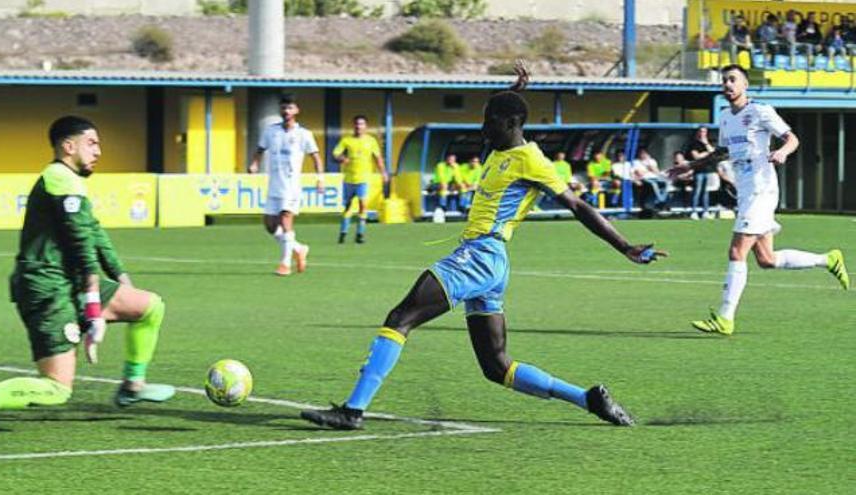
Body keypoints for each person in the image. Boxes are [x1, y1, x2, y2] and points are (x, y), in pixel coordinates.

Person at [299, 64, 666, 430]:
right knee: (496, 366)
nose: (482, 127)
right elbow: (504, 108)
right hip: (491, 264)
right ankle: (588, 399)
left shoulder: (530, 159)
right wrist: (514, 88)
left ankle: (352, 411)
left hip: (478, 257)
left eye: (489, 121)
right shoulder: (500, 146)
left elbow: (578, 206)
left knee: (400, 318)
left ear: (509, 125)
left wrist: (625, 246)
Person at [0, 116, 174, 420]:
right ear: (68, 146)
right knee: (56, 389)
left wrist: (123, 281)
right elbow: (82, 246)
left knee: (150, 306)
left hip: (68, 283)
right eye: (91, 143)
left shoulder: (71, 182)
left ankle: (133, 385)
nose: (98, 151)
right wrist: (94, 308)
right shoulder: (59, 178)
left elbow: (95, 235)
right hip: (46, 287)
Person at [678, 65, 849, 335]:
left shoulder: (760, 111)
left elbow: (792, 139)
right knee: (766, 259)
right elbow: (722, 151)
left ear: (745, 85)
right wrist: (691, 165)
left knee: (737, 251)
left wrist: (782, 152)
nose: (727, 84)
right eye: (724, 80)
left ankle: (725, 318)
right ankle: (828, 260)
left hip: (761, 188)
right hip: (746, 191)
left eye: (733, 79)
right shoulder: (724, 116)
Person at [248, 94, 324, 276]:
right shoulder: (271, 131)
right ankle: (298, 249)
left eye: (290, 108)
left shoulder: (303, 134)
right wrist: (255, 163)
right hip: (274, 185)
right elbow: (260, 149)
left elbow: (316, 157)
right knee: (270, 226)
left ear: (296, 110)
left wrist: (320, 178)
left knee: (285, 220)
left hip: (291, 187)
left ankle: (285, 264)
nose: (286, 111)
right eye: (283, 108)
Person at [333, 115, 388, 244]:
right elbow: (336, 153)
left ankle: (360, 234)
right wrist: (343, 159)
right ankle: (343, 233)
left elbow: (378, 158)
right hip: (349, 179)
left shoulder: (371, 141)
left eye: (361, 124)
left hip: (363, 179)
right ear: (354, 126)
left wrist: (383, 173)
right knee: (347, 207)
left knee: (363, 206)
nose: (359, 126)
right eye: (357, 124)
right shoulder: (347, 140)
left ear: (366, 126)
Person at [687, 126, 716, 220]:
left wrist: (706, 144)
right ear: (698, 132)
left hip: (708, 170)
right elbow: (696, 157)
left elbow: (713, 153)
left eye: (704, 131)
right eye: (701, 131)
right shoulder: (693, 144)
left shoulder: (709, 142)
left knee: (705, 192)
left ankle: (705, 212)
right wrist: (706, 154)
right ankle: (694, 212)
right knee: (697, 191)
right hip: (698, 171)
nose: (703, 133)